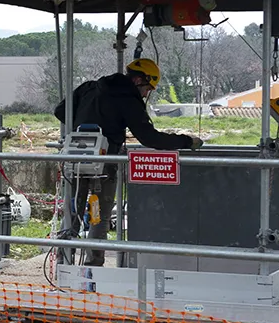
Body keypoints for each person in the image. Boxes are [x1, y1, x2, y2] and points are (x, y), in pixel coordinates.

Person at [52, 58, 204, 265]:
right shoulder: (128, 99)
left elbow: (60, 111)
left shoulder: (90, 87)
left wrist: (83, 127)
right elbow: (150, 138)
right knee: (99, 217)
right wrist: (186, 141)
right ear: (138, 80)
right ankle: (92, 267)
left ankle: (64, 266)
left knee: (72, 213)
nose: (146, 93)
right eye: (147, 88)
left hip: (75, 158)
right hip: (104, 163)